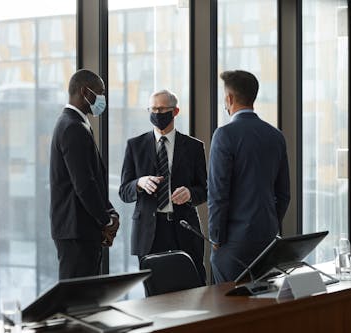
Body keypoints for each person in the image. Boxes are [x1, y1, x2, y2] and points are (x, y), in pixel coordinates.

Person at [208, 70, 291, 283]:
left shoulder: (224, 134)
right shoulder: (275, 136)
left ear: (229, 98)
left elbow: (218, 193)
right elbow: (283, 195)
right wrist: (269, 223)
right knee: (264, 305)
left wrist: (216, 237)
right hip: (267, 239)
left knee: (231, 308)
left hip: (233, 243)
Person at [119, 89, 207, 281]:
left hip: (183, 228)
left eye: (162, 109)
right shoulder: (135, 145)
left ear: (175, 112)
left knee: (191, 287)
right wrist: (139, 183)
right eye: (153, 109)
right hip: (149, 232)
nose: (157, 114)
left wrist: (190, 193)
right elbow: (124, 191)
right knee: (154, 292)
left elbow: (204, 189)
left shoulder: (193, 147)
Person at [50, 69, 120, 280]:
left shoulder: (72, 124)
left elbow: (90, 180)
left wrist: (109, 212)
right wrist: (107, 221)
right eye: (100, 92)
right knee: (76, 302)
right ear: (84, 92)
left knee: (83, 300)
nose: (103, 98)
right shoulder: (73, 127)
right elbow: (84, 185)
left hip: (78, 231)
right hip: (77, 232)